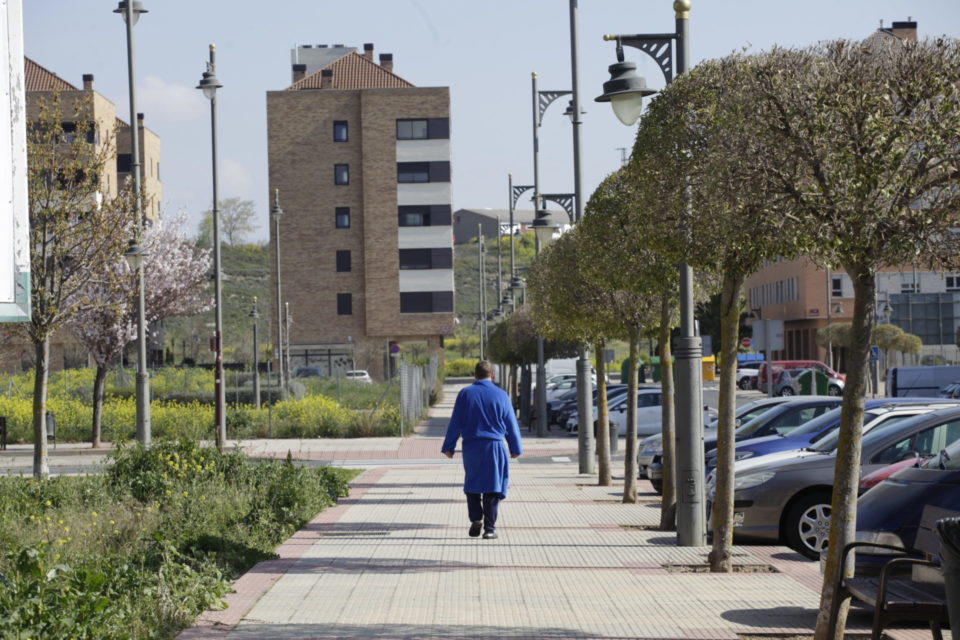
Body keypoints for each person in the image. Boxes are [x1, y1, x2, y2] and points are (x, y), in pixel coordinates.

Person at [442, 360, 522, 540]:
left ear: (475, 375)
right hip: (494, 446)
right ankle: (490, 528)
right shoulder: (501, 395)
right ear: (492, 375)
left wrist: (449, 446)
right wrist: (515, 447)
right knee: (492, 486)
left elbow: (456, 421)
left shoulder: (465, 394)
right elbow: (511, 423)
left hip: (471, 447)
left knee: (472, 483)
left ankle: (475, 518)